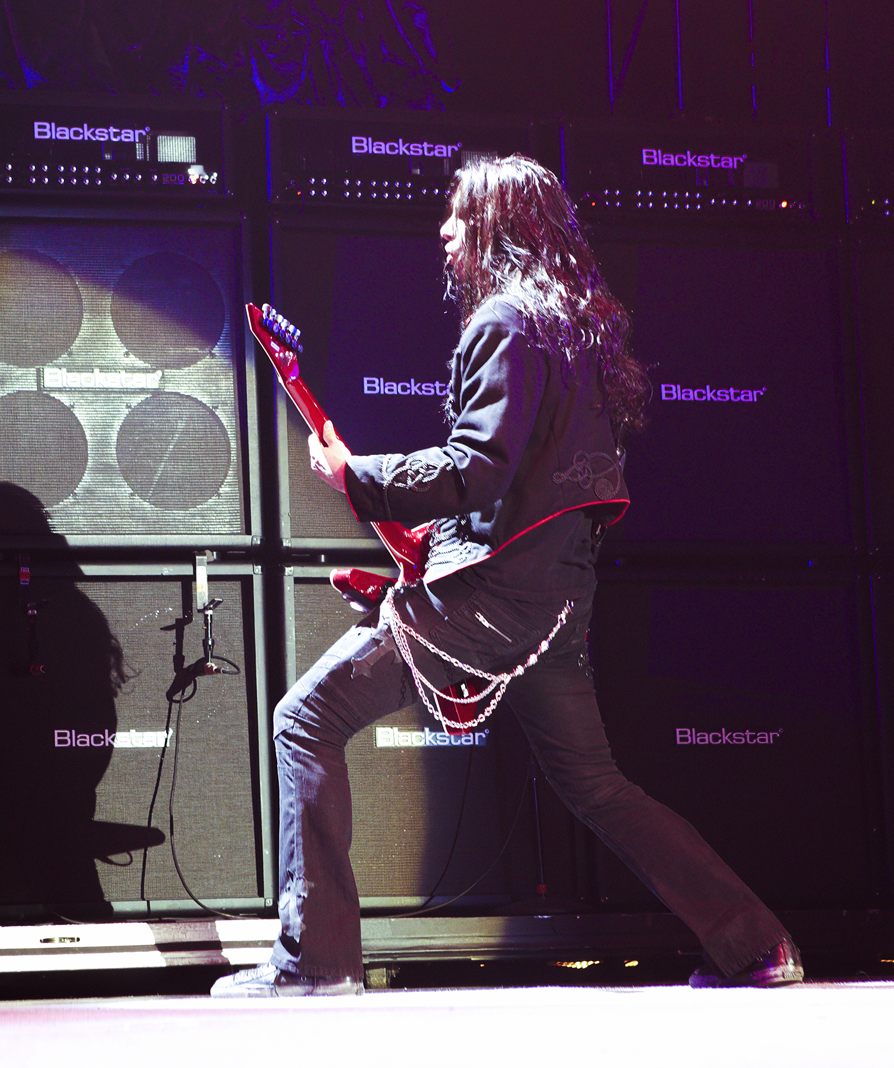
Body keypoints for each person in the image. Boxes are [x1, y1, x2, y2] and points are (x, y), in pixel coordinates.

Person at [212, 154, 801, 997]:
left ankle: (318, 961)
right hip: (557, 601)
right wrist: (435, 535)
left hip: (492, 604)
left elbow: (480, 463)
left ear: (499, 226)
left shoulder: (504, 322)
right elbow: (527, 486)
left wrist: (358, 475)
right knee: (597, 785)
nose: (443, 231)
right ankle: (758, 946)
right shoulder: (574, 327)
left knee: (304, 720)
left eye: (459, 216)